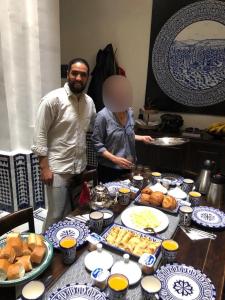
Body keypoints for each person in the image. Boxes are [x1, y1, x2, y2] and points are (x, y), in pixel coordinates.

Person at [31, 58, 96, 231]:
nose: (78, 78)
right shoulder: (53, 100)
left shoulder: (89, 103)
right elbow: (39, 135)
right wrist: (44, 167)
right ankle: (47, 249)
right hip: (57, 169)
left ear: (87, 78)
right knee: (56, 213)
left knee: (72, 211)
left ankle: (64, 246)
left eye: (83, 75)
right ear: (67, 74)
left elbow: (92, 129)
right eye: (74, 73)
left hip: (78, 168)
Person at [91, 75, 152, 183]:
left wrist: (141, 138)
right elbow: (97, 144)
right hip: (109, 168)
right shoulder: (103, 116)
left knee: (127, 196)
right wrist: (114, 159)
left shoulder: (130, 112)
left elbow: (127, 134)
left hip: (129, 165)